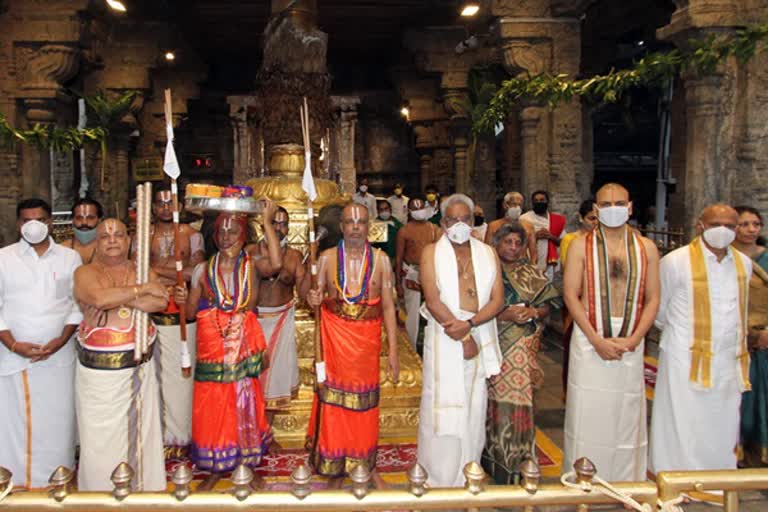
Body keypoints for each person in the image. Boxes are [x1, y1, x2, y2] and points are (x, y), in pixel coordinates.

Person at [176, 199, 283, 490]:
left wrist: (268, 222)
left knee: (244, 396)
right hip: (212, 341)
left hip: (243, 338)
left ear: (243, 234)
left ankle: (245, 460)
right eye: (221, 232)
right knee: (213, 399)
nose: (226, 237)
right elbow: (188, 315)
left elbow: (276, 264)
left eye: (232, 231)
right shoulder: (202, 270)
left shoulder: (253, 265)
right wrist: (183, 301)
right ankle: (215, 461)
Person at [562, 183, 660, 481]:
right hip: (590, 335)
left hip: (631, 335)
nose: (613, 209)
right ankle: (584, 481)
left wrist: (634, 339)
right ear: (596, 210)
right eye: (606, 205)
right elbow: (570, 294)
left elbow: (653, 298)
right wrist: (595, 340)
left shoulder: (647, 247)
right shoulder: (580, 245)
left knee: (627, 413)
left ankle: (627, 482)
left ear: (630, 207)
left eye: (619, 203)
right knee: (587, 413)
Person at [650, 204, 752, 475]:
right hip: (684, 355)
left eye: (731, 226)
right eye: (716, 223)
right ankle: (675, 479)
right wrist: (681, 338)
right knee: (681, 419)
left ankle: (717, 481)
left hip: (728, 359)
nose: (724, 230)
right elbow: (660, 310)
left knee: (723, 420)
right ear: (700, 225)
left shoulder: (744, 264)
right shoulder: (675, 261)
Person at [306, 203, 399, 489]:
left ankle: (364, 464)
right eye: (349, 222)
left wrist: (393, 352)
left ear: (368, 226)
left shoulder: (382, 260)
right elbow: (313, 298)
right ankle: (334, 465)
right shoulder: (326, 258)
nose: (355, 227)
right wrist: (312, 299)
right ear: (342, 227)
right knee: (334, 404)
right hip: (334, 343)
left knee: (365, 406)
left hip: (367, 345)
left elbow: (388, 308)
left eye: (360, 222)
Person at [73, 218, 168, 491]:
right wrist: (140, 291)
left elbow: (160, 301)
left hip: (139, 366)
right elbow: (98, 299)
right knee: (100, 444)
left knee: (142, 440)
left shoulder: (141, 269)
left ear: (128, 241)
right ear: (97, 242)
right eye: (105, 236)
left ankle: (144, 495)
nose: (112, 240)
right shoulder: (85, 273)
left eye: (118, 235)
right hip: (98, 377)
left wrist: (115, 297)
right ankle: (99, 498)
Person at [418, 194, 504, 487]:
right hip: (445, 334)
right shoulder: (430, 252)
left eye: (465, 219)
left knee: (474, 403)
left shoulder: (487, 252)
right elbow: (432, 299)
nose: (459, 224)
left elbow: (497, 300)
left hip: (475, 327)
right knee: (441, 403)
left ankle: (470, 471)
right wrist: (462, 333)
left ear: (473, 220)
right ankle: (440, 477)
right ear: (443, 223)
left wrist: (469, 325)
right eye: (452, 219)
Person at [0, 198, 82, 489]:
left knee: (57, 421)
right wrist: (12, 344)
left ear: (50, 222)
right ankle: (14, 484)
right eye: (26, 220)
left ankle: (56, 482)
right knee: (14, 423)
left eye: (39, 219)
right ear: (18, 224)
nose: (32, 225)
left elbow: (76, 305)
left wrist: (61, 340)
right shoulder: (4, 258)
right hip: (13, 356)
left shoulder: (69, 258)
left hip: (57, 358)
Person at [482, 223, 561, 484]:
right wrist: (502, 314)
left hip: (522, 343)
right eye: (508, 243)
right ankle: (492, 455)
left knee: (520, 399)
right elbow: (474, 306)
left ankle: (518, 458)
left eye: (518, 243)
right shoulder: (486, 270)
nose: (513, 248)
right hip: (492, 339)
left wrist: (533, 312)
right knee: (491, 400)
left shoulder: (530, 271)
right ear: (497, 243)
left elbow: (547, 305)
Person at [146, 185, 205, 455]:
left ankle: (181, 437)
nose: (165, 208)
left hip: (182, 314)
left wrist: (155, 270)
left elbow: (195, 273)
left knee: (181, 378)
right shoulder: (143, 236)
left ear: (179, 205)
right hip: (150, 314)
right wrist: (171, 272)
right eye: (160, 204)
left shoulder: (192, 236)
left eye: (170, 203)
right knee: (152, 376)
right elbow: (139, 274)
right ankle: (156, 434)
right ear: (153, 207)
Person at [248, 206, 309, 434]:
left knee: (275, 381)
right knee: (253, 378)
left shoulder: (294, 257)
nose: (279, 228)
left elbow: (303, 294)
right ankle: (251, 430)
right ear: (263, 225)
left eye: (283, 224)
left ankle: (266, 432)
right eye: (274, 223)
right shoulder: (251, 252)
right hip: (254, 321)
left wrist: (310, 272)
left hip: (281, 321)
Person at [733, 206, 768, 465]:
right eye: (744, 224)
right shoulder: (725, 258)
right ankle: (734, 450)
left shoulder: (765, 258)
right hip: (732, 338)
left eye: (755, 224)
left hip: (764, 338)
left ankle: (759, 454)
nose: (751, 229)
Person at [559, 199, 597, 395]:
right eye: (591, 218)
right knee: (574, 346)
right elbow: (570, 273)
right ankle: (572, 393)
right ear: (581, 218)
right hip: (578, 300)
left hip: (601, 302)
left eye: (598, 218)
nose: (595, 223)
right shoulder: (571, 240)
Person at [395, 197, 441, 352]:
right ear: (409, 211)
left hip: (432, 274)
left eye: (421, 207)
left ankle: (432, 348)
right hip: (411, 274)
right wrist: (397, 284)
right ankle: (412, 350)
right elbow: (399, 258)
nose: (419, 210)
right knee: (412, 315)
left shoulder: (433, 228)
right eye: (415, 208)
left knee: (435, 311)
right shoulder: (404, 230)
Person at [520, 190, 567, 278]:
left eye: (542, 200)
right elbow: (519, 242)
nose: (539, 203)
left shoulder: (556, 220)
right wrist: (534, 237)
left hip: (550, 264)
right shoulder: (525, 219)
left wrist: (551, 237)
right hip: (531, 262)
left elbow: (563, 241)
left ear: (547, 202)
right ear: (532, 203)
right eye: (536, 201)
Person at [485, 191, 537, 264]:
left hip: (522, 266)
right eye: (514, 204)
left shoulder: (528, 226)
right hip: (500, 265)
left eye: (520, 205)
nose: (517, 207)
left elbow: (534, 253)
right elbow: (487, 251)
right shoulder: (493, 226)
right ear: (505, 205)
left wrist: (531, 269)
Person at [64, 197, 103, 264]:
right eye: (79, 218)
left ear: (99, 220)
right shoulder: (63, 249)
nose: (84, 222)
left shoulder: (109, 248)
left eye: (90, 218)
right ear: (72, 220)